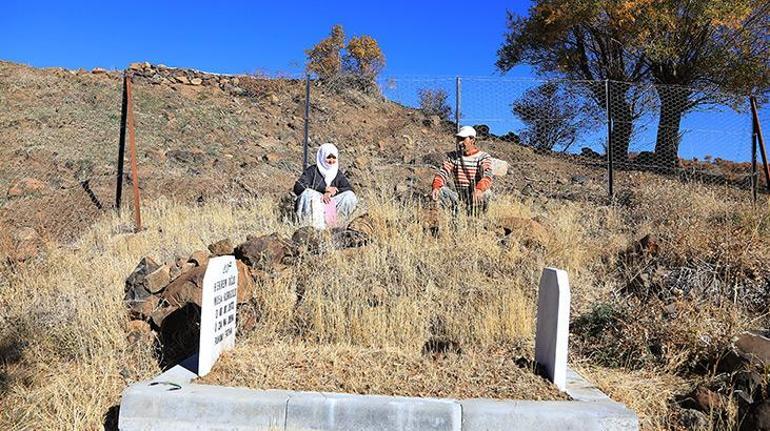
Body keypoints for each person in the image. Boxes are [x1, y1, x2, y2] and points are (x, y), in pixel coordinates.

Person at [430, 126, 493, 215]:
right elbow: (443, 172)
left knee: (486, 193)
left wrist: (479, 189)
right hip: (459, 195)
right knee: (439, 190)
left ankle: (479, 219)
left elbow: (487, 176)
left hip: (475, 192)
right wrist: (436, 186)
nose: (460, 143)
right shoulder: (453, 156)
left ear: (472, 140)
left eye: (463, 139)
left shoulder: (483, 157)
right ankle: (454, 218)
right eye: (458, 139)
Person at [293, 143, 358, 229]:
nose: (331, 161)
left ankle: (337, 227)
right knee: (309, 194)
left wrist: (332, 192)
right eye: (328, 157)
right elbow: (299, 186)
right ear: (322, 157)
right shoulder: (312, 170)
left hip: (331, 204)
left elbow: (349, 188)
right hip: (316, 204)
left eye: (334, 158)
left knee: (349, 196)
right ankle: (314, 229)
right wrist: (324, 189)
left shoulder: (337, 173)